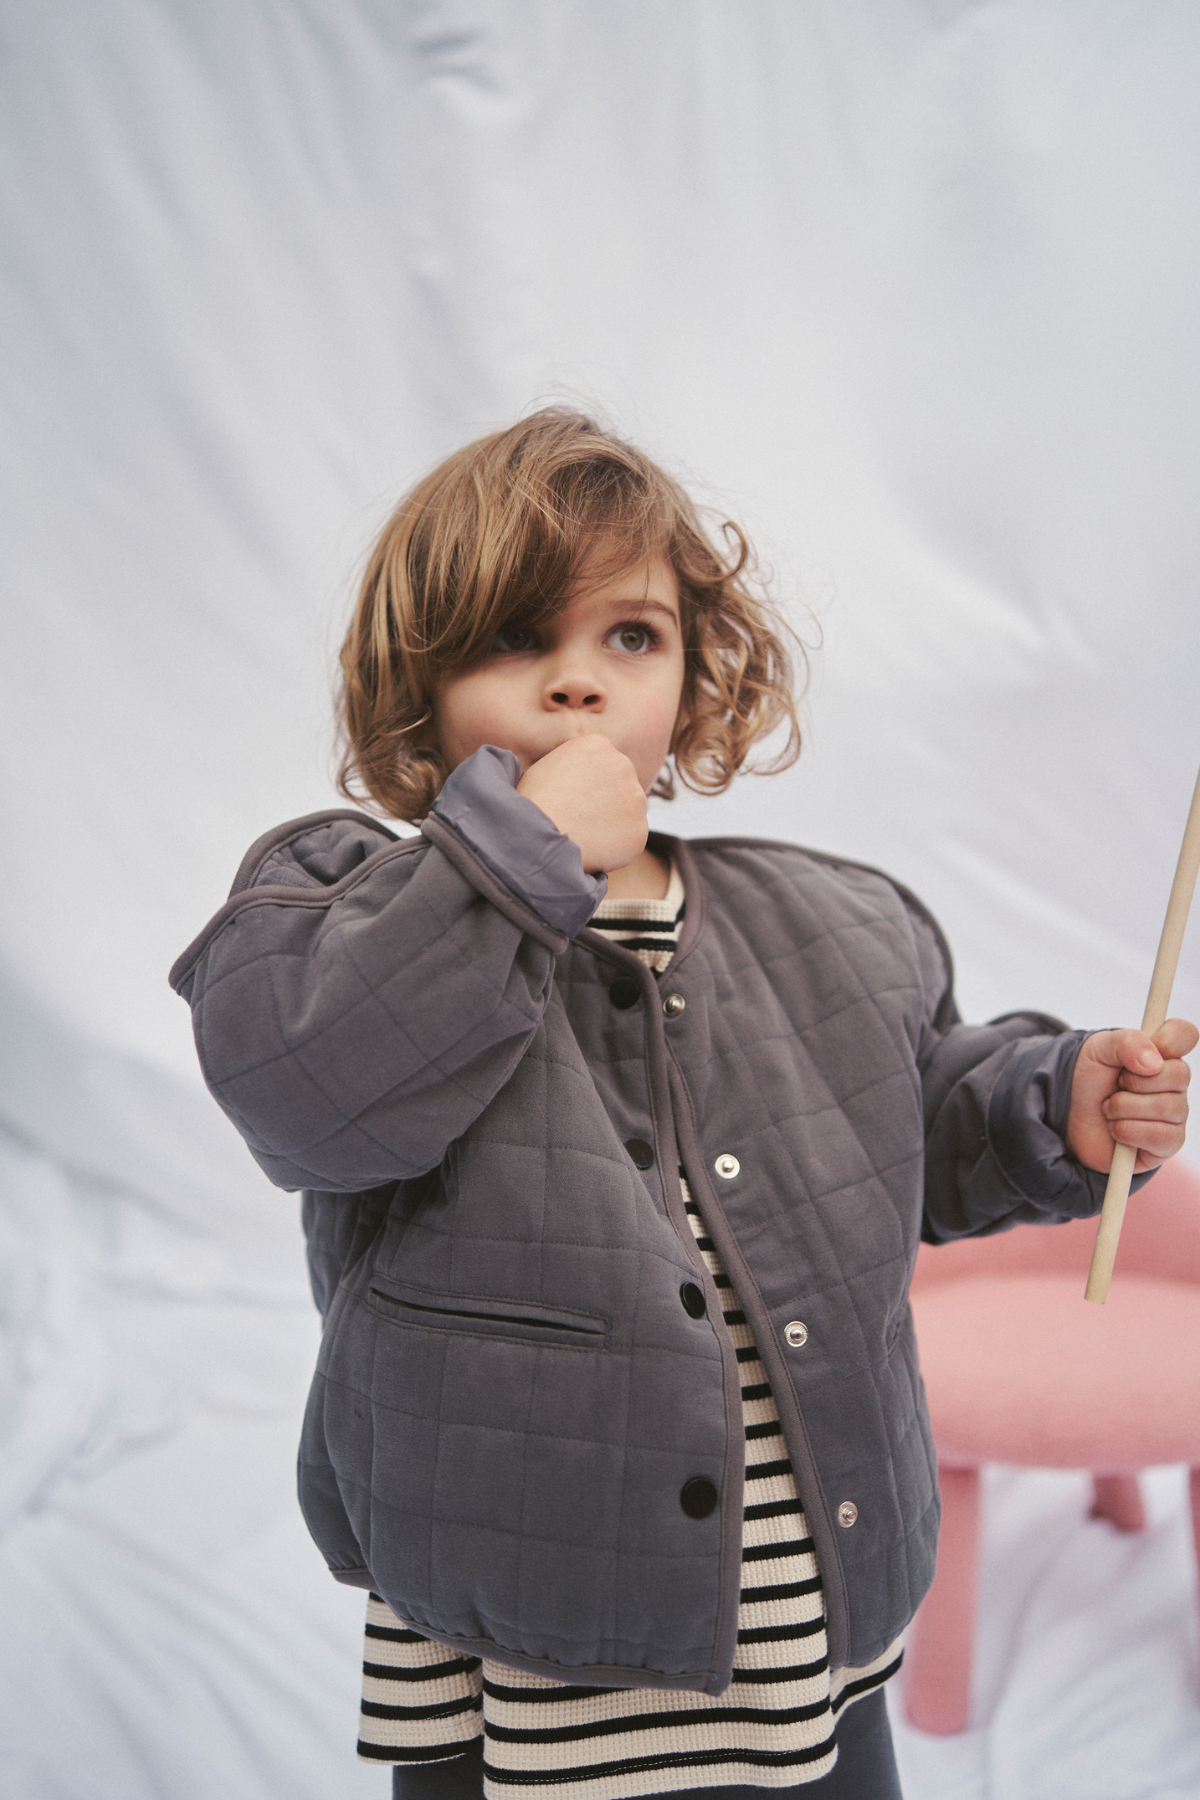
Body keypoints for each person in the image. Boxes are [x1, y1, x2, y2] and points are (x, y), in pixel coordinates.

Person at [170, 410, 1194, 1800]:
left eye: (629, 639)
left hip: (805, 1608)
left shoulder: (838, 921)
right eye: (516, 641)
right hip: (523, 1621)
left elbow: (919, 1123)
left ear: (698, 677)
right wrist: (516, 862)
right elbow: (312, 1092)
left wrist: (1052, 1104)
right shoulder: (344, 911)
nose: (578, 687)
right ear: (420, 694)